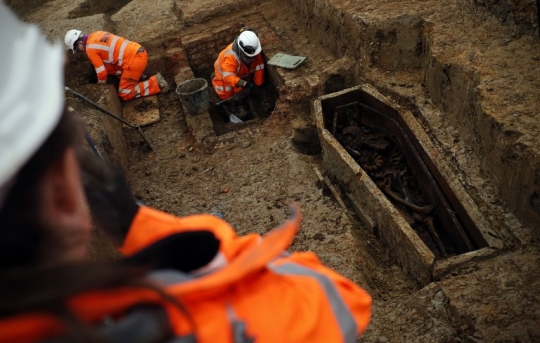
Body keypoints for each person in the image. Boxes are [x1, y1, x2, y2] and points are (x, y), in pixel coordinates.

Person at [0, 5, 372, 342]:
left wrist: (137, 226)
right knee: (228, 96)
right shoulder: (226, 62)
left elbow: (258, 72)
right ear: (65, 198)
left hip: (231, 89)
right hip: (226, 93)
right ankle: (230, 110)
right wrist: (146, 229)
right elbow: (335, 301)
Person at [64, 29, 169, 101]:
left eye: (77, 49)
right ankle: (137, 77)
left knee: (124, 94)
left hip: (134, 62)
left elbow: (102, 73)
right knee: (108, 67)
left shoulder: (90, 49)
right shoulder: (96, 34)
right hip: (137, 51)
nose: (79, 51)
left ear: (79, 43)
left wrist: (100, 87)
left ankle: (156, 83)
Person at [212, 28, 265, 121]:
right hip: (224, 76)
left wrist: (258, 84)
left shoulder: (255, 51)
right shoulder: (231, 57)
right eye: (249, 57)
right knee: (227, 94)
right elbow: (228, 77)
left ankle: (243, 101)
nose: (253, 58)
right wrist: (245, 84)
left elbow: (259, 67)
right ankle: (233, 106)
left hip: (242, 73)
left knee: (240, 89)